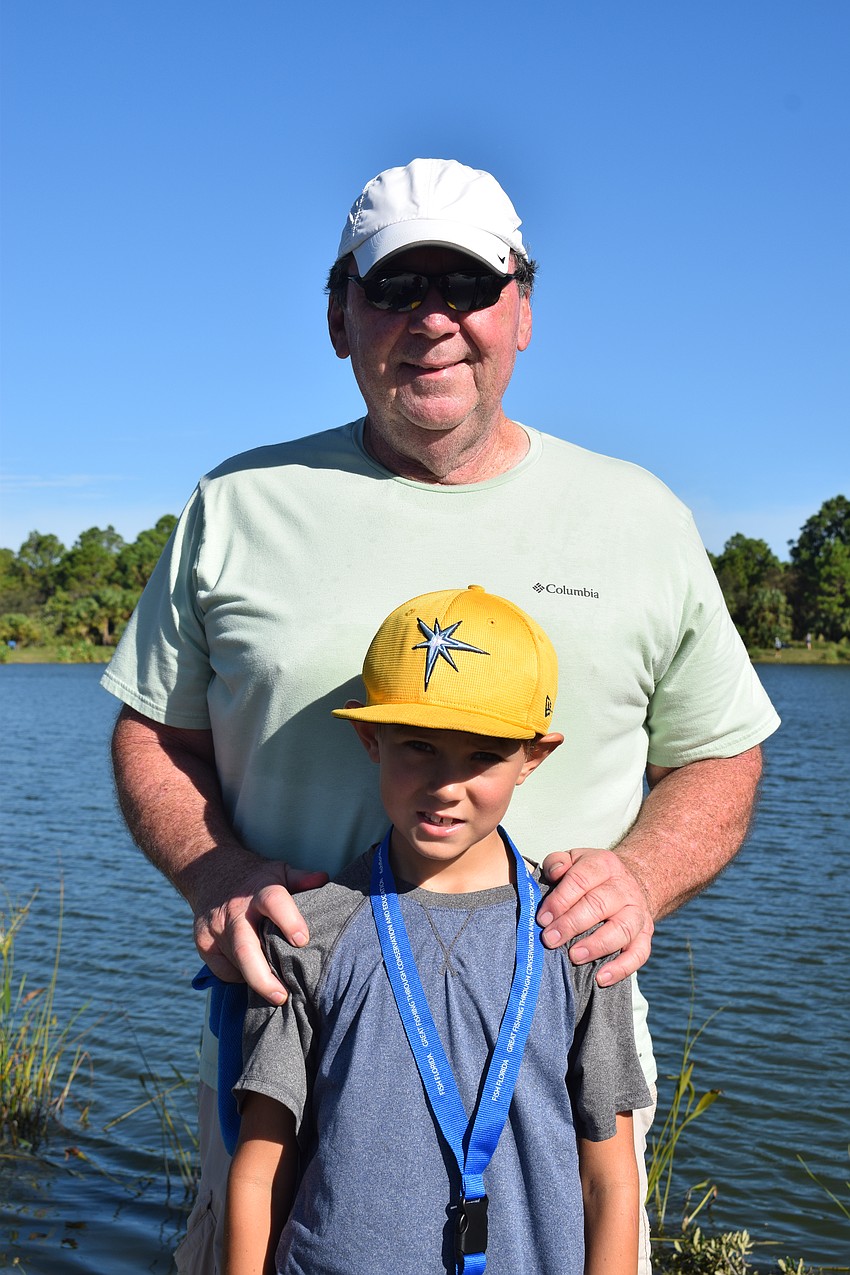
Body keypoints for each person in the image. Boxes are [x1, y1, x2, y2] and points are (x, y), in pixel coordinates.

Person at [102, 157, 780, 1273]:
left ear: (521, 308)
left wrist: (644, 876)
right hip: (290, 1056)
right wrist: (212, 869)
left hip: (552, 1082)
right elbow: (156, 733)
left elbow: (721, 752)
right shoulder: (236, 506)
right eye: (394, 286)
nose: (432, 320)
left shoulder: (638, 518)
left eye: (466, 286)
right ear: (338, 315)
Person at [224, 585, 652, 1275]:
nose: (446, 784)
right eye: (418, 746)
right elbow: (258, 1167)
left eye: (481, 754)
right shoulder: (310, 932)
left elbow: (610, 1175)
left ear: (533, 756)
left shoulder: (579, 934)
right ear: (371, 739)